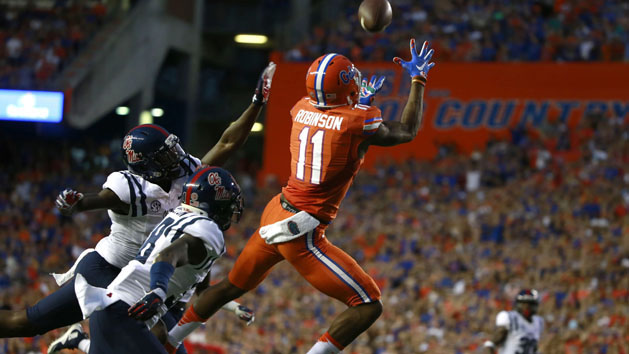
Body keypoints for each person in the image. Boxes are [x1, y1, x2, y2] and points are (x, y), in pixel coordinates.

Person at [165, 39, 436, 353]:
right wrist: (418, 80)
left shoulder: (301, 107)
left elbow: (333, 118)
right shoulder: (360, 120)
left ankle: (169, 342)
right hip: (302, 230)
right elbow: (406, 131)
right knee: (368, 304)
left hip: (276, 210)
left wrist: (357, 102)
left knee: (231, 286)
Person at [0, 62, 276, 343]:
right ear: (147, 165)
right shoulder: (129, 187)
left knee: (156, 342)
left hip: (144, 275)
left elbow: (227, 143)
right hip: (108, 269)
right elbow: (98, 200)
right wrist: (77, 203)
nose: (176, 156)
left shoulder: (190, 175)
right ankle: (82, 342)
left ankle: (78, 342)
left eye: (172, 149)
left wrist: (256, 102)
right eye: (165, 155)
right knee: (25, 323)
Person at [73, 166, 245, 354]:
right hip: (128, 312)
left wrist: (234, 307)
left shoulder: (179, 215)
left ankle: (78, 341)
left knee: (159, 336)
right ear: (216, 202)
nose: (231, 211)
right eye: (229, 204)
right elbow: (167, 256)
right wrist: (158, 291)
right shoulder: (208, 231)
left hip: (113, 309)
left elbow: (202, 289)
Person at [484, 289, 544, 354]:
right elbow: (492, 343)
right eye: (524, 304)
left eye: (530, 305)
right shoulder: (510, 318)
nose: (527, 308)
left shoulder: (538, 322)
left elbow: (533, 347)